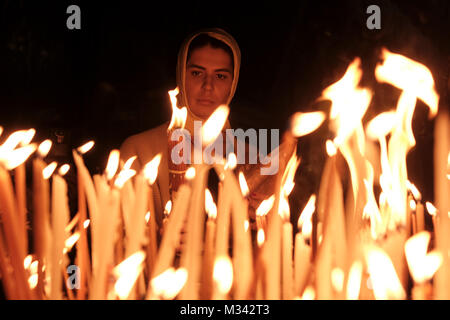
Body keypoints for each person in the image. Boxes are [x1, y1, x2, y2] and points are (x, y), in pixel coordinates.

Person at [120, 28, 252, 232]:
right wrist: (163, 239)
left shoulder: (251, 157)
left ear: (232, 84)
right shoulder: (139, 150)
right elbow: (123, 236)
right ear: (181, 75)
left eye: (220, 76)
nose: (208, 86)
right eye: (197, 73)